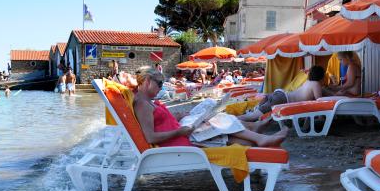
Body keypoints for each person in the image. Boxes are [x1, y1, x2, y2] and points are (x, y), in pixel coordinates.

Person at [133, 67, 288, 148]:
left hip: (182, 131)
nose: (161, 88)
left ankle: (256, 131)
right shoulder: (142, 104)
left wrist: (178, 117)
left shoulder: (147, 101)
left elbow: (159, 124)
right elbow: (151, 137)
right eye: (159, 84)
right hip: (180, 138)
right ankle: (258, 136)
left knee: (214, 117)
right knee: (220, 125)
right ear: (147, 81)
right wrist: (180, 130)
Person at [238, 65, 326, 122]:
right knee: (252, 117)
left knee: (252, 115)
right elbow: (319, 101)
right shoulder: (316, 84)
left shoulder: (308, 82)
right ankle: (232, 120)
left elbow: (321, 93)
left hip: (279, 94)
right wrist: (321, 117)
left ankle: (242, 116)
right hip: (282, 99)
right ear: (321, 76)